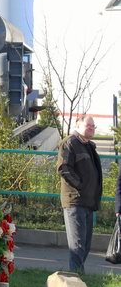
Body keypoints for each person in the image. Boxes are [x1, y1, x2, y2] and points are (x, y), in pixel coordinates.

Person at [57, 115, 102, 273]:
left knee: (86, 244)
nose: (91, 128)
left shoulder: (89, 146)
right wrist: (80, 186)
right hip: (75, 201)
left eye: (93, 126)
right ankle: (76, 278)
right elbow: (64, 168)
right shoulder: (70, 143)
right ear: (78, 125)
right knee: (77, 244)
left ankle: (78, 275)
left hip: (88, 203)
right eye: (88, 125)